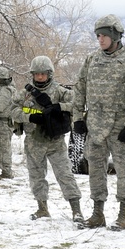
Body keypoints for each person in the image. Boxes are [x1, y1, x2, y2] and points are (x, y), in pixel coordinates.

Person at [72, 15, 125, 231]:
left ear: (115, 35)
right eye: (98, 36)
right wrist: (78, 118)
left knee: (123, 169)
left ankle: (123, 214)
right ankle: (98, 213)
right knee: (95, 168)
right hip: (95, 125)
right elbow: (80, 88)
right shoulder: (92, 60)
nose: (100, 39)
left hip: (119, 125)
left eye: (104, 35)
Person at [11, 56, 84, 221]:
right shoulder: (25, 94)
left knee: (65, 175)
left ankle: (76, 210)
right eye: (36, 74)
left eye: (43, 74)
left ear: (49, 74)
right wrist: (29, 117)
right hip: (33, 141)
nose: (40, 77)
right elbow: (13, 110)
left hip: (55, 141)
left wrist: (59, 107)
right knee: (36, 177)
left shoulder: (60, 91)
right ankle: (42, 209)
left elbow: (77, 104)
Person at [0, 66, 17, 180]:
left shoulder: (5, 90)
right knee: (2, 146)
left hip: (4, 122)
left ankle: (6, 171)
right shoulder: (3, 89)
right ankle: (5, 170)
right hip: (2, 122)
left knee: (3, 147)